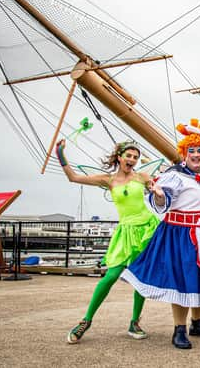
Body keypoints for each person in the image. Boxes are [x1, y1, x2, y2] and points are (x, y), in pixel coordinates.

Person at [120, 119, 200, 350]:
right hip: (180, 236)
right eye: (191, 150)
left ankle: (197, 323)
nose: (196, 155)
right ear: (185, 153)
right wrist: (160, 195)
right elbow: (162, 201)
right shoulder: (174, 175)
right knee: (183, 282)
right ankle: (179, 329)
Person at [55, 139, 159, 344]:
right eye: (128, 155)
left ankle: (134, 322)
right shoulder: (109, 180)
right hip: (126, 230)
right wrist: (60, 154)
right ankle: (86, 321)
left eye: (135, 157)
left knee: (140, 278)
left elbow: (158, 188)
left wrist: (156, 189)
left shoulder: (142, 176)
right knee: (110, 276)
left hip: (147, 228)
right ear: (119, 157)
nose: (132, 159)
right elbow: (73, 177)